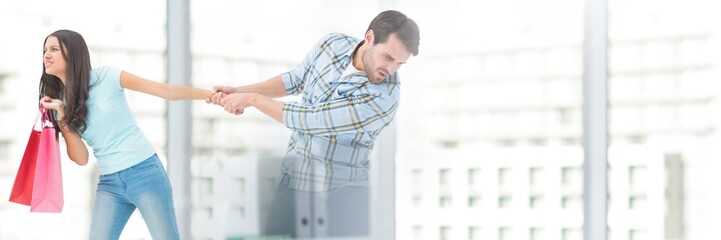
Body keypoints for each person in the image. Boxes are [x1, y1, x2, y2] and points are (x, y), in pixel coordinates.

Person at [207, 10, 420, 238]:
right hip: (294, 180)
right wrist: (241, 91)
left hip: (343, 197)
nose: (390, 70)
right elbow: (295, 79)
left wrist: (251, 99)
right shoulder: (333, 45)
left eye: (400, 63)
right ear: (369, 38)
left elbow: (311, 119)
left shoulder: (384, 97)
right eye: (388, 57)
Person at [38, 29, 211, 239]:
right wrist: (63, 115)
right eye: (45, 50)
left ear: (74, 53)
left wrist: (211, 95)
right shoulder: (59, 105)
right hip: (109, 183)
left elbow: (164, 90)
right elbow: (81, 158)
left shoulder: (107, 77)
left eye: (54, 49)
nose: (46, 55)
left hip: (145, 172)